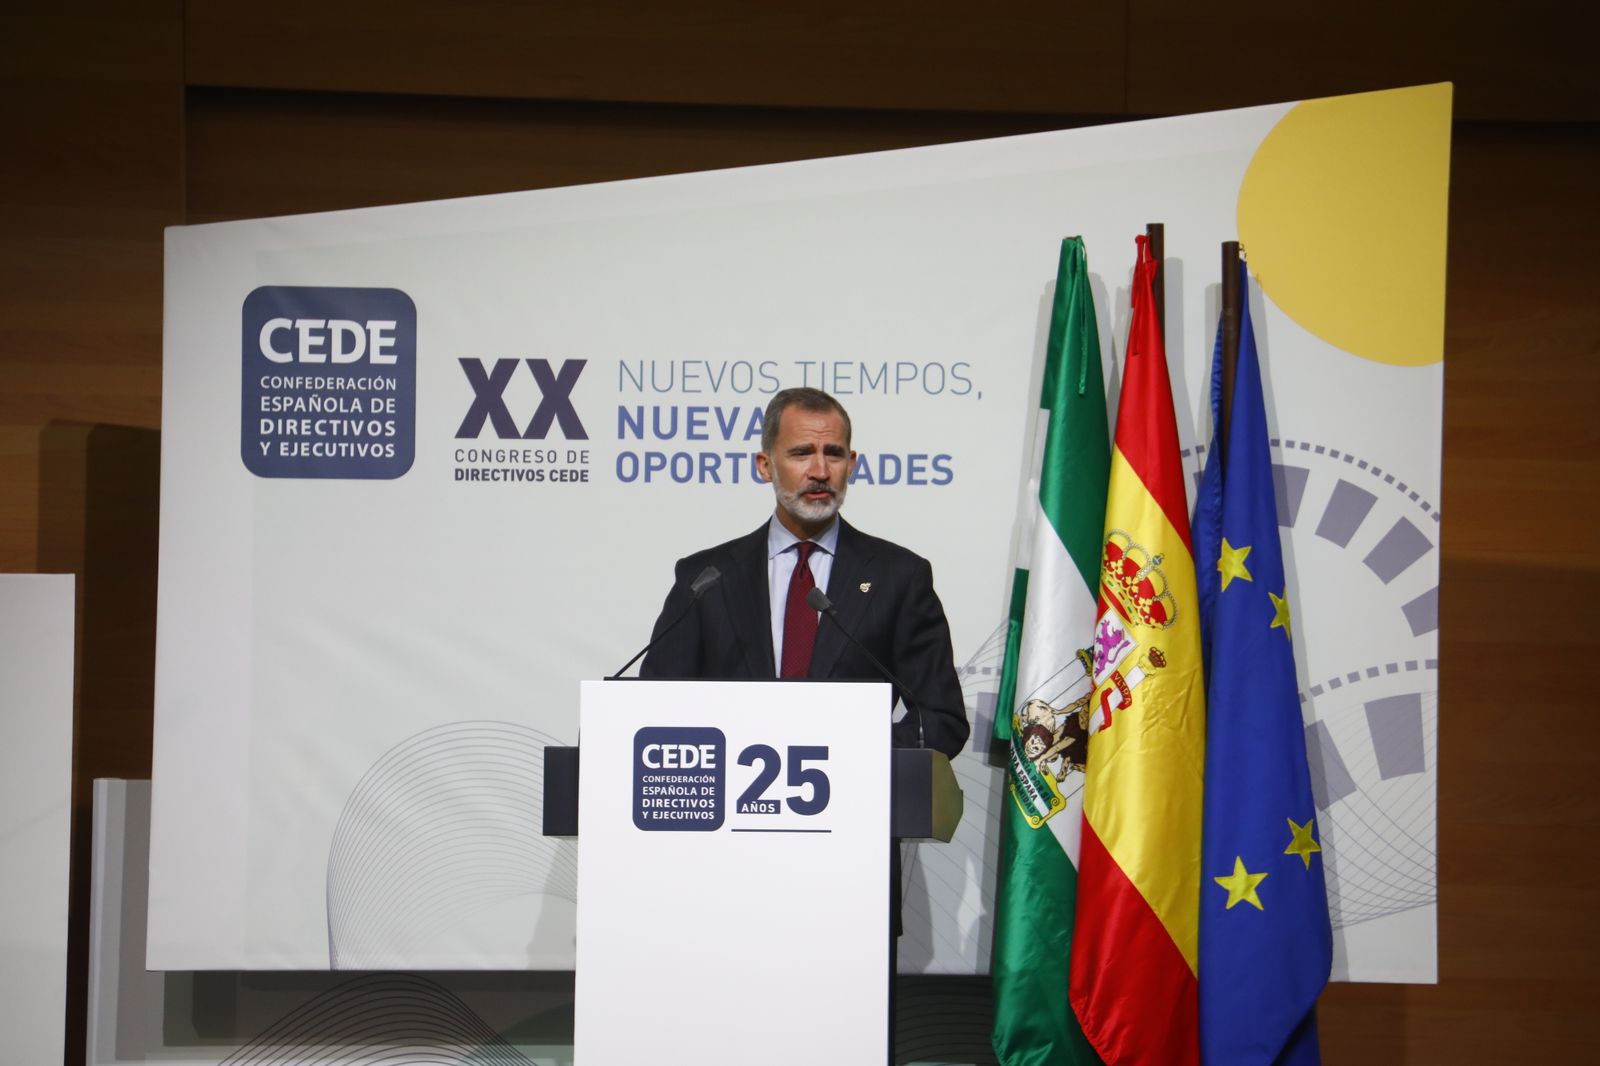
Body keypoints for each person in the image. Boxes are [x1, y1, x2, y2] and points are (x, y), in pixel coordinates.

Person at [640, 387, 969, 760]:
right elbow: (654, 706)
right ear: (765, 465)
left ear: (852, 464)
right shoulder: (705, 579)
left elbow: (941, 719)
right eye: (801, 453)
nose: (820, 471)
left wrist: (852, 752)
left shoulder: (899, 577)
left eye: (834, 454)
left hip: (852, 790)